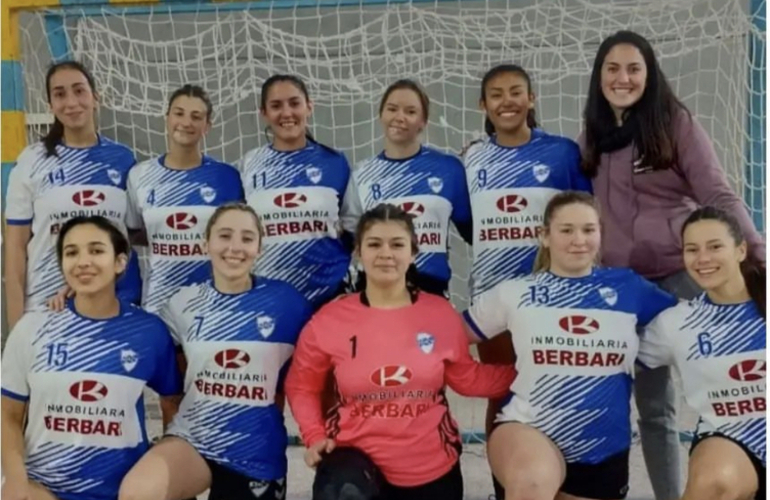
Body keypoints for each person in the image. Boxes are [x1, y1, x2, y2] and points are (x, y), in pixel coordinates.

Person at [579, 30, 766, 499]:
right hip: (630, 288)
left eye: (634, 68)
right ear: (599, 76)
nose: (623, 78)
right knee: (654, 406)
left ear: (650, 74)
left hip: (686, 274)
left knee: (738, 378)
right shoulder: (592, 135)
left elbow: (717, 193)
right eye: (613, 69)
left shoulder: (674, 122)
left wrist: (757, 253)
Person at [285, 203, 516, 500]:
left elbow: (468, 378)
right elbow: (301, 384)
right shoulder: (329, 320)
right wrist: (314, 435)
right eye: (374, 244)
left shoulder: (440, 314)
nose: (386, 253)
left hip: (431, 466)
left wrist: (533, 375)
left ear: (413, 253)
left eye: (397, 244)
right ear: (358, 252)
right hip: (356, 465)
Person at [464, 191, 677, 500]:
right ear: (545, 236)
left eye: (588, 229)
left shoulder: (628, 287)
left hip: (602, 450)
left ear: (600, 234)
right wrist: (476, 379)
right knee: (533, 483)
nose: (579, 239)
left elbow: (689, 324)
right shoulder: (515, 292)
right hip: (528, 430)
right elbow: (450, 334)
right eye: (566, 230)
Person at [118, 203, 311, 500]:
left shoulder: (287, 303)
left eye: (247, 238)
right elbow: (133, 330)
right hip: (194, 437)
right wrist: (77, 296)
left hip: (254, 450)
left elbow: (330, 340)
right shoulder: (183, 303)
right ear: (206, 243)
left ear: (259, 247)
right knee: (138, 492)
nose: (235, 247)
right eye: (224, 236)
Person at [465, 64, 593, 497]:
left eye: (516, 92)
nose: (507, 101)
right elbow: (470, 223)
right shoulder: (473, 157)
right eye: (496, 94)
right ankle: (508, 489)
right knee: (501, 393)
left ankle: (559, 482)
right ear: (484, 105)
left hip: (552, 300)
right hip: (492, 300)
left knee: (556, 390)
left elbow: (585, 214)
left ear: (532, 99)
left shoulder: (560, 153)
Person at [1, 216, 182, 500]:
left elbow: (172, 404)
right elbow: (8, 414)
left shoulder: (149, 331)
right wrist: (16, 480)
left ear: (120, 262)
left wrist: (158, 473)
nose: (83, 261)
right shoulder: (32, 328)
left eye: (96, 250)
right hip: (43, 491)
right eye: (71, 252)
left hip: (121, 492)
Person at [638, 206, 766, 500]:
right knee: (712, 482)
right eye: (692, 249)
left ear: (741, 250)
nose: (703, 258)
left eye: (715, 246)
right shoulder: (677, 323)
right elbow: (612, 361)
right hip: (734, 440)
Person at [4, 60, 141, 330]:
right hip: (46, 305)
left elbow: (131, 235)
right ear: (50, 105)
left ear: (95, 98)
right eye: (60, 94)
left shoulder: (123, 159)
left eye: (79, 91)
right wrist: (16, 325)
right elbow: (15, 247)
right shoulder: (32, 161)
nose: (71, 102)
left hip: (112, 302)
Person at [240, 74, 358, 309]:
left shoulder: (334, 162)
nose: (286, 113)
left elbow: (355, 228)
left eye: (295, 103)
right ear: (263, 112)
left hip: (330, 298)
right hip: (269, 298)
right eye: (276, 106)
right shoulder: (248, 165)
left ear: (309, 107)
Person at [126, 84, 243, 313]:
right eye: (179, 113)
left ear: (207, 126)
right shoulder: (140, 175)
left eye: (196, 116)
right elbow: (132, 232)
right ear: (167, 118)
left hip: (211, 303)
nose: (186, 122)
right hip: (159, 304)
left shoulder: (227, 176)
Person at [351, 79, 472, 296]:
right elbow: (349, 241)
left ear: (423, 121)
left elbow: (474, 232)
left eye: (410, 111)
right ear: (381, 115)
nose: (400, 117)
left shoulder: (448, 169)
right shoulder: (360, 175)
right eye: (392, 109)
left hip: (430, 291)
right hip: (375, 293)